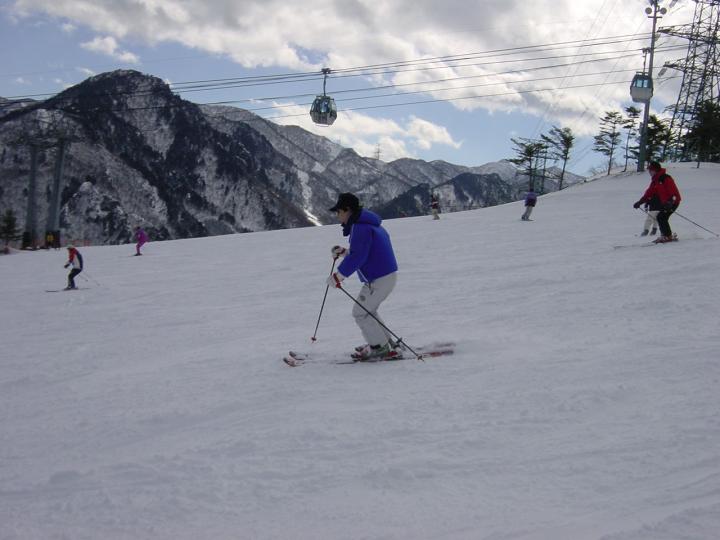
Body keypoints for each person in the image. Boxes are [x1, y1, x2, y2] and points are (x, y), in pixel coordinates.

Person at [326, 193, 399, 361]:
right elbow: (364, 252)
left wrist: (338, 276)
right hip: (385, 276)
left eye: (338, 212)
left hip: (379, 279)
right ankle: (386, 343)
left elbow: (359, 256)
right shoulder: (368, 224)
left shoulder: (360, 228)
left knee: (360, 313)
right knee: (368, 311)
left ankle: (380, 348)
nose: (337, 216)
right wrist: (344, 252)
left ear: (347, 210)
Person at [633, 161, 682, 243]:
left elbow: (673, 191)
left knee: (661, 217)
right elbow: (649, 193)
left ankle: (667, 236)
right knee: (661, 217)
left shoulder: (665, 178)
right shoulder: (655, 181)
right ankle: (666, 235)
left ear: (655, 170)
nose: (649, 172)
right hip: (666, 204)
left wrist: (670, 202)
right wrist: (639, 202)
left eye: (650, 170)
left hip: (673, 202)